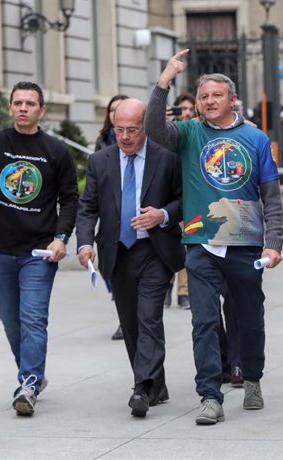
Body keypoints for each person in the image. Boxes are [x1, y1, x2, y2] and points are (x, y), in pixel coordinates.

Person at [145, 49, 283, 425]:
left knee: (249, 318)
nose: (208, 101)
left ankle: (252, 377)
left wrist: (274, 243)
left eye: (215, 95)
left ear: (231, 99)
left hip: (245, 243)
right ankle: (210, 396)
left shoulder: (255, 138)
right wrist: (164, 82)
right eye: (203, 96)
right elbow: (154, 129)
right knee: (203, 322)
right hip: (201, 245)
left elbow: (271, 195)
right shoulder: (189, 133)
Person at [0, 62, 78, 416]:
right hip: (0, 252)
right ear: (11, 107)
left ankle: (27, 383)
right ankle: (33, 373)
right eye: (18, 102)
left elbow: (70, 198)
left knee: (34, 319)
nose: (23, 107)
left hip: (39, 253)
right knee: (12, 322)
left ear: (41, 110)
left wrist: (60, 237)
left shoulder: (55, 150)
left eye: (30, 103)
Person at [76, 98, 185, 418]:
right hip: (116, 253)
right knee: (131, 323)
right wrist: (84, 244)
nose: (124, 136)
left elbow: (183, 199)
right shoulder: (100, 161)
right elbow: (87, 208)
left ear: (145, 128)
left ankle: (141, 387)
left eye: (132, 130)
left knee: (149, 316)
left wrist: (162, 214)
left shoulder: (166, 158)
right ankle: (157, 385)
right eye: (119, 130)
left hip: (154, 250)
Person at [94, 93, 129, 341]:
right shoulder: (102, 144)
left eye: (121, 108)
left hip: (133, 220)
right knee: (111, 274)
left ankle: (126, 320)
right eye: (112, 110)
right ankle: (124, 312)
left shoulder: (140, 141)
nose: (115, 113)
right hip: (108, 221)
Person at [163, 92, 196, 309]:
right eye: (181, 109)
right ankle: (167, 284)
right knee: (167, 245)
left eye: (190, 109)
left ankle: (184, 291)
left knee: (186, 244)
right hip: (166, 196)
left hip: (189, 196)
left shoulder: (195, 132)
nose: (186, 113)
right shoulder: (168, 133)